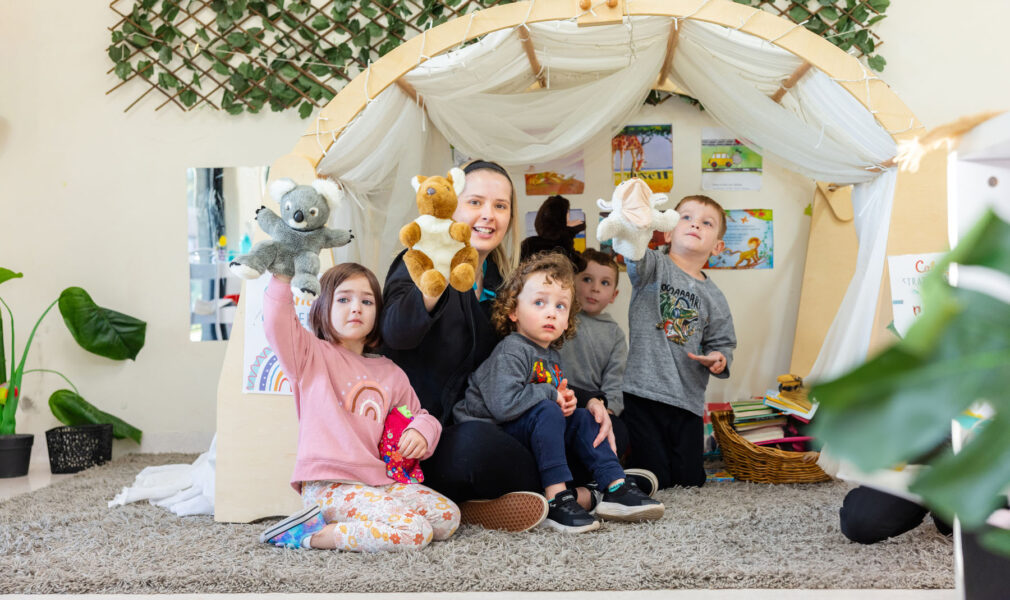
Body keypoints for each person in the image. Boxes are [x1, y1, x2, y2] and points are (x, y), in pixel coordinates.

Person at [381, 159, 552, 532]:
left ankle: (472, 504)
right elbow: (395, 332)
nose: (488, 215)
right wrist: (433, 287)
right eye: (475, 202)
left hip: (486, 420)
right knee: (474, 446)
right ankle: (564, 492)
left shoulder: (502, 283)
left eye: (500, 206)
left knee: (598, 425)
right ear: (451, 206)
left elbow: (524, 359)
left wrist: (585, 398)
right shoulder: (418, 261)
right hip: (423, 442)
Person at [453, 252, 664, 532]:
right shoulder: (512, 350)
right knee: (549, 409)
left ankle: (615, 485)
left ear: (568, 321)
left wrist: (569, 403)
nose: (551, 312)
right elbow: (504, 406)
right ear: (514, 311)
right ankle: (557, 499)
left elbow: (549, 405)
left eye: (561, 306)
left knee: (586, 418)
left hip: (529, 434)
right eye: (539, 302)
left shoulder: (551, 356)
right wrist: (551, 397)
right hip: (494, 434)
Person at [257, 264, 460, 552]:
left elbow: (419, 416)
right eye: (344, 299)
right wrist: (281, 275)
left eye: (367, 301)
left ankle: (356, 525)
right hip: (329, 486)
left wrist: (422, 432)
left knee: (448, 517)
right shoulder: (309, 355)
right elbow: (276, 321)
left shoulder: (390, 372)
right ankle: (308, 535)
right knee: (414, 532)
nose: (356, 308)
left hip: (378, 482)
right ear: (322, 307)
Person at [620, 195, 737, 489]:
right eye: (686, 217)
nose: (695, 223)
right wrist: (635, 222)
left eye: (706, 222)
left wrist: (719, 358)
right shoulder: (653, 267)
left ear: (717, 246)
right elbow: (633, 255)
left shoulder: (715, 297)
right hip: (644, 392)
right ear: (669, 231)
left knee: (690, 480)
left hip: (687, 399)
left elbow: (723, 341)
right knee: (654, 477)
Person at [557, 248, 659, 493]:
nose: (594, 289)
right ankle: (586, 482)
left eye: (604, 283)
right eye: (587, 279)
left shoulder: (613, 333)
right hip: (558, 402)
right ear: (572, 283)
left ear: (613, 295)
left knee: (618, 431)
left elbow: (615, 380)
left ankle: (597, 478)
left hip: (595, 409)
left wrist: (607, 411)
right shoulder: (558, 317)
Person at [519, 194, 586, 272]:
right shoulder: (562, 243)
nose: (569, 216)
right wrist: (569, 231)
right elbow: (579, 265)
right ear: (561, 217)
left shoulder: (528, 243)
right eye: (567, 213)